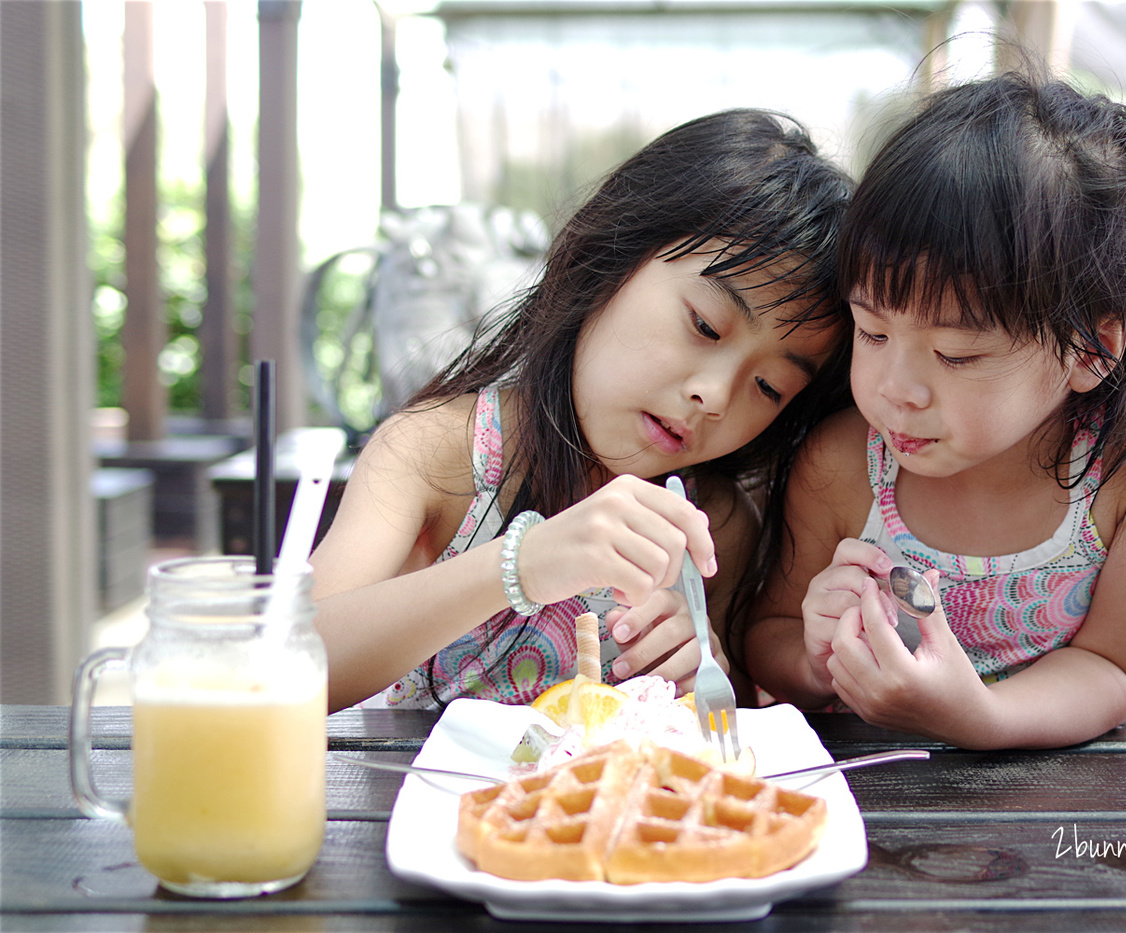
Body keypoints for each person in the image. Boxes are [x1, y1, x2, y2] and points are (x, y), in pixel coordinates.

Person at [310, 109, 853, 713]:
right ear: (609, 259)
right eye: (704, 325)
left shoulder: (711, 524)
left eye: (770, 387)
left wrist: (702, 671)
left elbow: (730, 732)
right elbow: (291, 661)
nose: (716, 396)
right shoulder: (436, 453)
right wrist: (522, 565)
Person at [745, 71, 1126, 750]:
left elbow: (1112, 666)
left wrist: (979, 716)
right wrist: (815, 655)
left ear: (1091, 348)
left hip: (1054, 818)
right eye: (873, 333)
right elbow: (769, 636)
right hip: (870, 805)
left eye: (956, 355)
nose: (896, 388)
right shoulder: (845, 464)